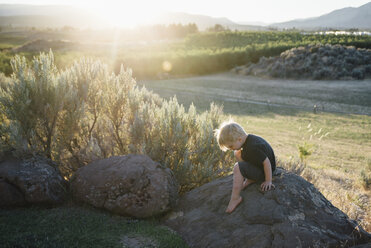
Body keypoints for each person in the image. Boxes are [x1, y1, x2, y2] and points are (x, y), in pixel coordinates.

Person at [214, 120, 276, 213]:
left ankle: (235, 198)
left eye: (231, 146)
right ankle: (250, 179)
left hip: (266, 171)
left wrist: (268, 181)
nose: (231, 149)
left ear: (239, 139)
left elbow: (266, 162)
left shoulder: (251, 148)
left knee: (237, 167)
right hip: (260, 167)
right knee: (237, 153)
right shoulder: (249, 140)